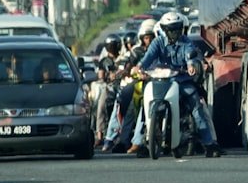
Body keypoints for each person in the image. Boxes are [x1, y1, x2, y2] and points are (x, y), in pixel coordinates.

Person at [129, 11, 221, 157]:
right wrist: (139, 67)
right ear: (164, 30)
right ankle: (142, 142)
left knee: (197, 107)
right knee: (144, 107)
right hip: (160, 82)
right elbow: (147, 58)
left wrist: (191, 66)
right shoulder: (158, 42)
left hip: (182, 81)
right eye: (171, 29)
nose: (174, 32)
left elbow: (190, 54)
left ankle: (209, 144)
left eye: (177, 29)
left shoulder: (186, 42)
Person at [102, 19, 156, 153]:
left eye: (151, 37)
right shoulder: (137, 51)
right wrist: (122, 73)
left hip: (157, 83)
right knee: (122, 102)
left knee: (145, 108)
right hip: (138, 84)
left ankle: (137, 140)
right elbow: (128, 66)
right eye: (146, 38)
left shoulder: (160, 48)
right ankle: (113, 138)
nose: (149, 40)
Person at [94, 33, 124, 147]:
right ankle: (99, 134)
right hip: (109, 87)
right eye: (110, 46)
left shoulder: (123, 58)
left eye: (114, 46)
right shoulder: (104, 61)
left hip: (123, 86)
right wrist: (108, 77)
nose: (112, 49)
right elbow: (101, 76)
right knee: (100, 105)